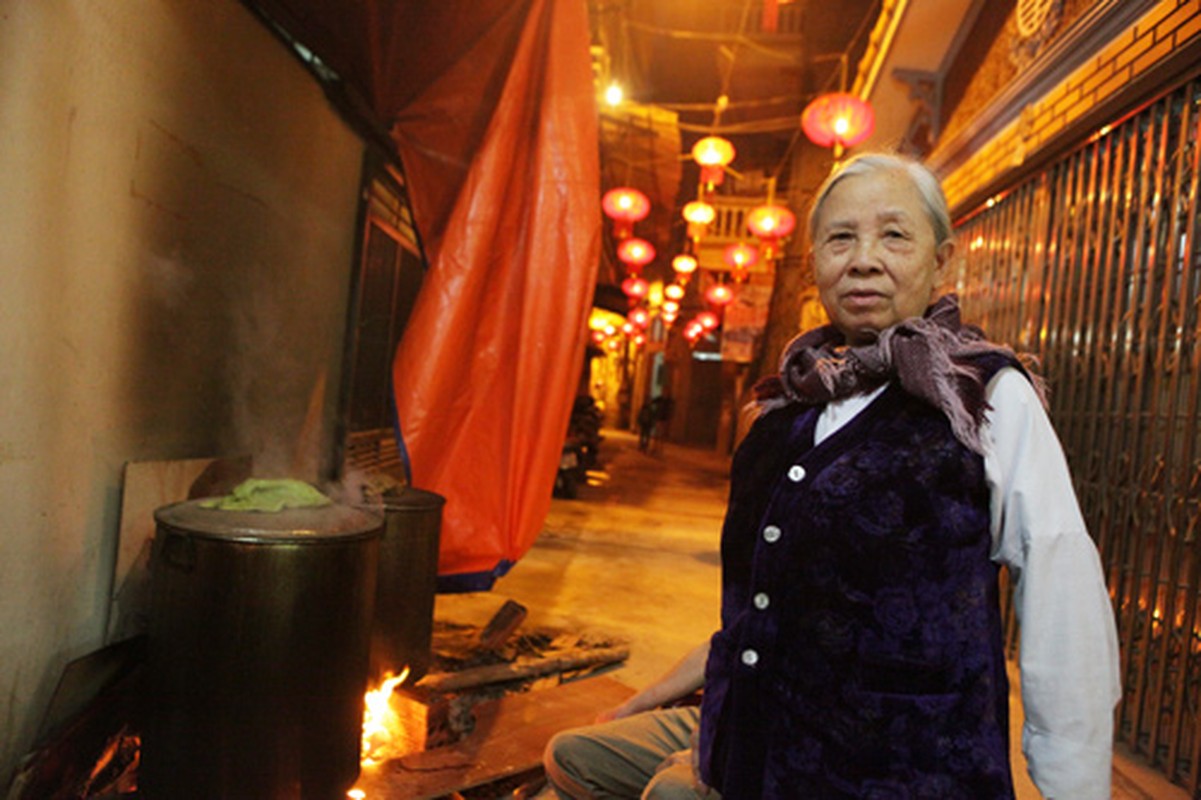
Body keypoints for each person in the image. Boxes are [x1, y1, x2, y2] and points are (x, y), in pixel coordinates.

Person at [543, 152, 1120, 799]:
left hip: (902, 769)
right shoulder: (781, 412)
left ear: (941, 259)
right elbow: (760, 613)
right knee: (573, 756)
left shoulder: (982, 394)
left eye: (893, 234)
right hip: (756, 733)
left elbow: (1059, 584)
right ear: (814, 261)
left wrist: (1074, 785)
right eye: (840, 237)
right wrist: (657, 695)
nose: (863, 258)